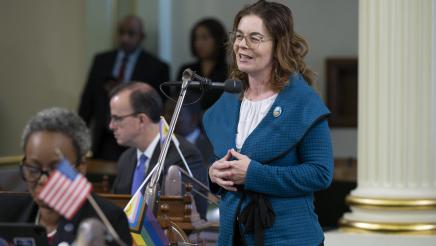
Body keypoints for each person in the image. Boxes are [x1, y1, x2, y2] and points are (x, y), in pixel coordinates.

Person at [203, 1, 333, 245]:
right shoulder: (230, 100)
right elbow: (228, 163)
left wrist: (254, 174)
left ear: (278, 45)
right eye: (239, 36)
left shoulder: (302, 102)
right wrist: (215, 173)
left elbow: (320, 174)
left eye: (255, 37)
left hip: (288, 237)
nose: (242, 45)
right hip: (234, 235)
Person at [0, 108, 132, 245]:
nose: (43, 180)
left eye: (55, 169)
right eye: (34, 168)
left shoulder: (107, 221)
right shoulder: (5, 211)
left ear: (80, 169)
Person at [109, 82, 209, 220]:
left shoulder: (184, 155)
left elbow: (179, 218)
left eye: (117, 118)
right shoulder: (126, 159)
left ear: (141, 120)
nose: (111, 126)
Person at [78, 15, 169, 161]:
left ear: (141, 37)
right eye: (121, 32)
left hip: (137, 140)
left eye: (131, 33)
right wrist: (78, 142)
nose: (125, 38)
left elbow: (158, 108)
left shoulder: (157, 67)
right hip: (103, 140)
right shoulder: (101, 60)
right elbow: (87, 102)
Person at [176, 18, 228, 110]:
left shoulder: (229, 71)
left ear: (218, 40)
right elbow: (176, 100)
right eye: (196, 38)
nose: (199, 43)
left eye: (204, 38)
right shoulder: (187, 70)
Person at [163, 98, 214, 168]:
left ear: (193, 118)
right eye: (166, 112)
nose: (167, 118)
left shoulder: (210, 149)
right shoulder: (164, 145)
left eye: (173, 113)